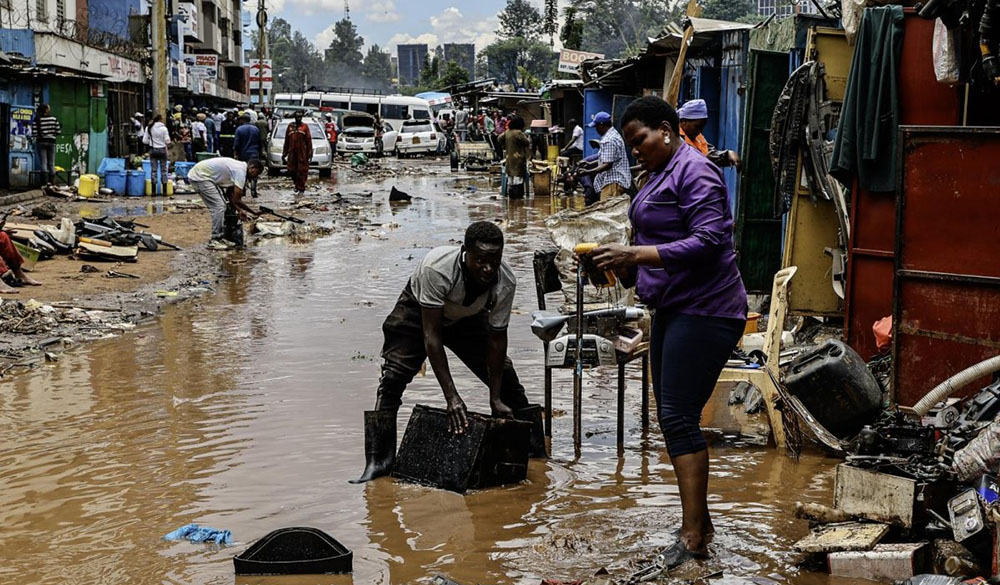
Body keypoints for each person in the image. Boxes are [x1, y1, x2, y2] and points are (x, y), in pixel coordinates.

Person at [588, 96, 747, 571]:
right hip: (673, 307)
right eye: (631, 144)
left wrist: (633, 256)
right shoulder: (657, 174)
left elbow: (710, 240)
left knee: (678, 418)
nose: (635, 150)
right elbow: (654, 241)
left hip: (708, 309)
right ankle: (701, 524)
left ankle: (693, 537)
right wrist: (615, 264)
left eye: (640, 140)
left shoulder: (695, 172)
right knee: (672, 416)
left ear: (666, 129)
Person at [351, 221, 543, 484]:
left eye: (494, 261)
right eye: (480, 261)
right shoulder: (437, 269)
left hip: (467, 318)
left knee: (507, 381)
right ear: (465, 253)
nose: (488, 268)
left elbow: (497, 341)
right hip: (420, 312)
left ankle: (535, 454)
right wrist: (452, 397)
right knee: (393, 379)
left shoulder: (505, 281)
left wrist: (495, 397)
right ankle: (378, 462)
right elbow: (432, 337)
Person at [187, 157, 263, 250]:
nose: (255, 177)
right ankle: (215, 239)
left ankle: (221, 237)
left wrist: (239, 210)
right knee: (219, 207)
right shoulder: (240, 172)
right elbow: (237, 200)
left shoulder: (239, 168)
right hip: (200, 177)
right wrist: (253, 212)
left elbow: (230, 196)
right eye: (257, 173)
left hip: (202, 175)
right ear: (252, 168)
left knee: (223, 205)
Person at [577, 111, 631, 201]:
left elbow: (607, 165)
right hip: (613, 182)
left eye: (596, 127)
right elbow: (606, 159)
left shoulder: (609, 140)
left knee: (608, 209)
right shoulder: (613, 135)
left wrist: (588, 172)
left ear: (602, 125)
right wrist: (589, 163)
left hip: (612, 183)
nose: (596, 129)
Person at [676, 99, 741, 171]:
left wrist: (727, 155)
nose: (700, 131)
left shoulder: (696, 137)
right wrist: (704, 161)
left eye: (702, 127)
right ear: (684, 121)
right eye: (697, 127)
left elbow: (709, 153)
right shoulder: (675, 140)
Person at [500, 115, 531, 199]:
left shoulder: (507, 132)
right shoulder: (519, 133)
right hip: (518, 158)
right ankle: (518, 196)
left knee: (510, 176)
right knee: (518, 176)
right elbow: (526, 142)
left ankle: (511, 195)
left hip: (509, 158)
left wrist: (505, 145)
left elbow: (499, 139)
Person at [282, 111, 313, 195]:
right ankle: (296, 183)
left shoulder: (305, 127)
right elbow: (287, 141)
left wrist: (310, 154)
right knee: (291, 170)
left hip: (302, 153)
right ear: (295, 117)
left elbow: (308, 141)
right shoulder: (290, 127)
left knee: (302, 170)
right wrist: (284, 153)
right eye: (297, 117)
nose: (299, 118)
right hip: (292, 153)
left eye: (300, 117)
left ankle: (301, 187)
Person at [143, 114, 171, 196]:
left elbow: (144, 141)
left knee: (153, 170)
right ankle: (165, 191)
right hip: (162, 150)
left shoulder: (149, 128)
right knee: (164, 170)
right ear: (161, 120)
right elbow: (167, 141)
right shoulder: (164, 129)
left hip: (153, 150)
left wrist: (152, 141)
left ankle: (153, 192)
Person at [32, 104, 60, 185]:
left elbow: (34, 133)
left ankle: (44, 183)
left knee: (43, 162)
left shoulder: (37, 120)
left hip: (41, 142)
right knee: (51, 163)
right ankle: (52, 182)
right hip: (51, 142)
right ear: (46, 110)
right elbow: (58, 131)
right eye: (49, 108)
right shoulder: (54, 119)